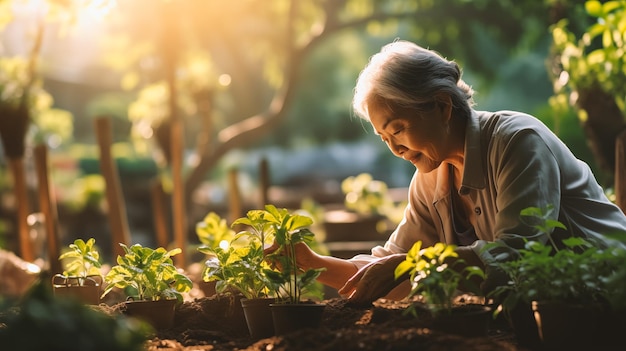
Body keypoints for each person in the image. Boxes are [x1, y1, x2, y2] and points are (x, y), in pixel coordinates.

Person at [266, 39, 626, 305]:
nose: (393, 147)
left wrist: (405, 265)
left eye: (397, 129)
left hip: (608, 301)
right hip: (553, 315)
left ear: (440, 106)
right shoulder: (429, 179)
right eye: (383, 137)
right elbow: (391, 273)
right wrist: (310, 263)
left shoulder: (518, 142)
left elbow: (521, 259)